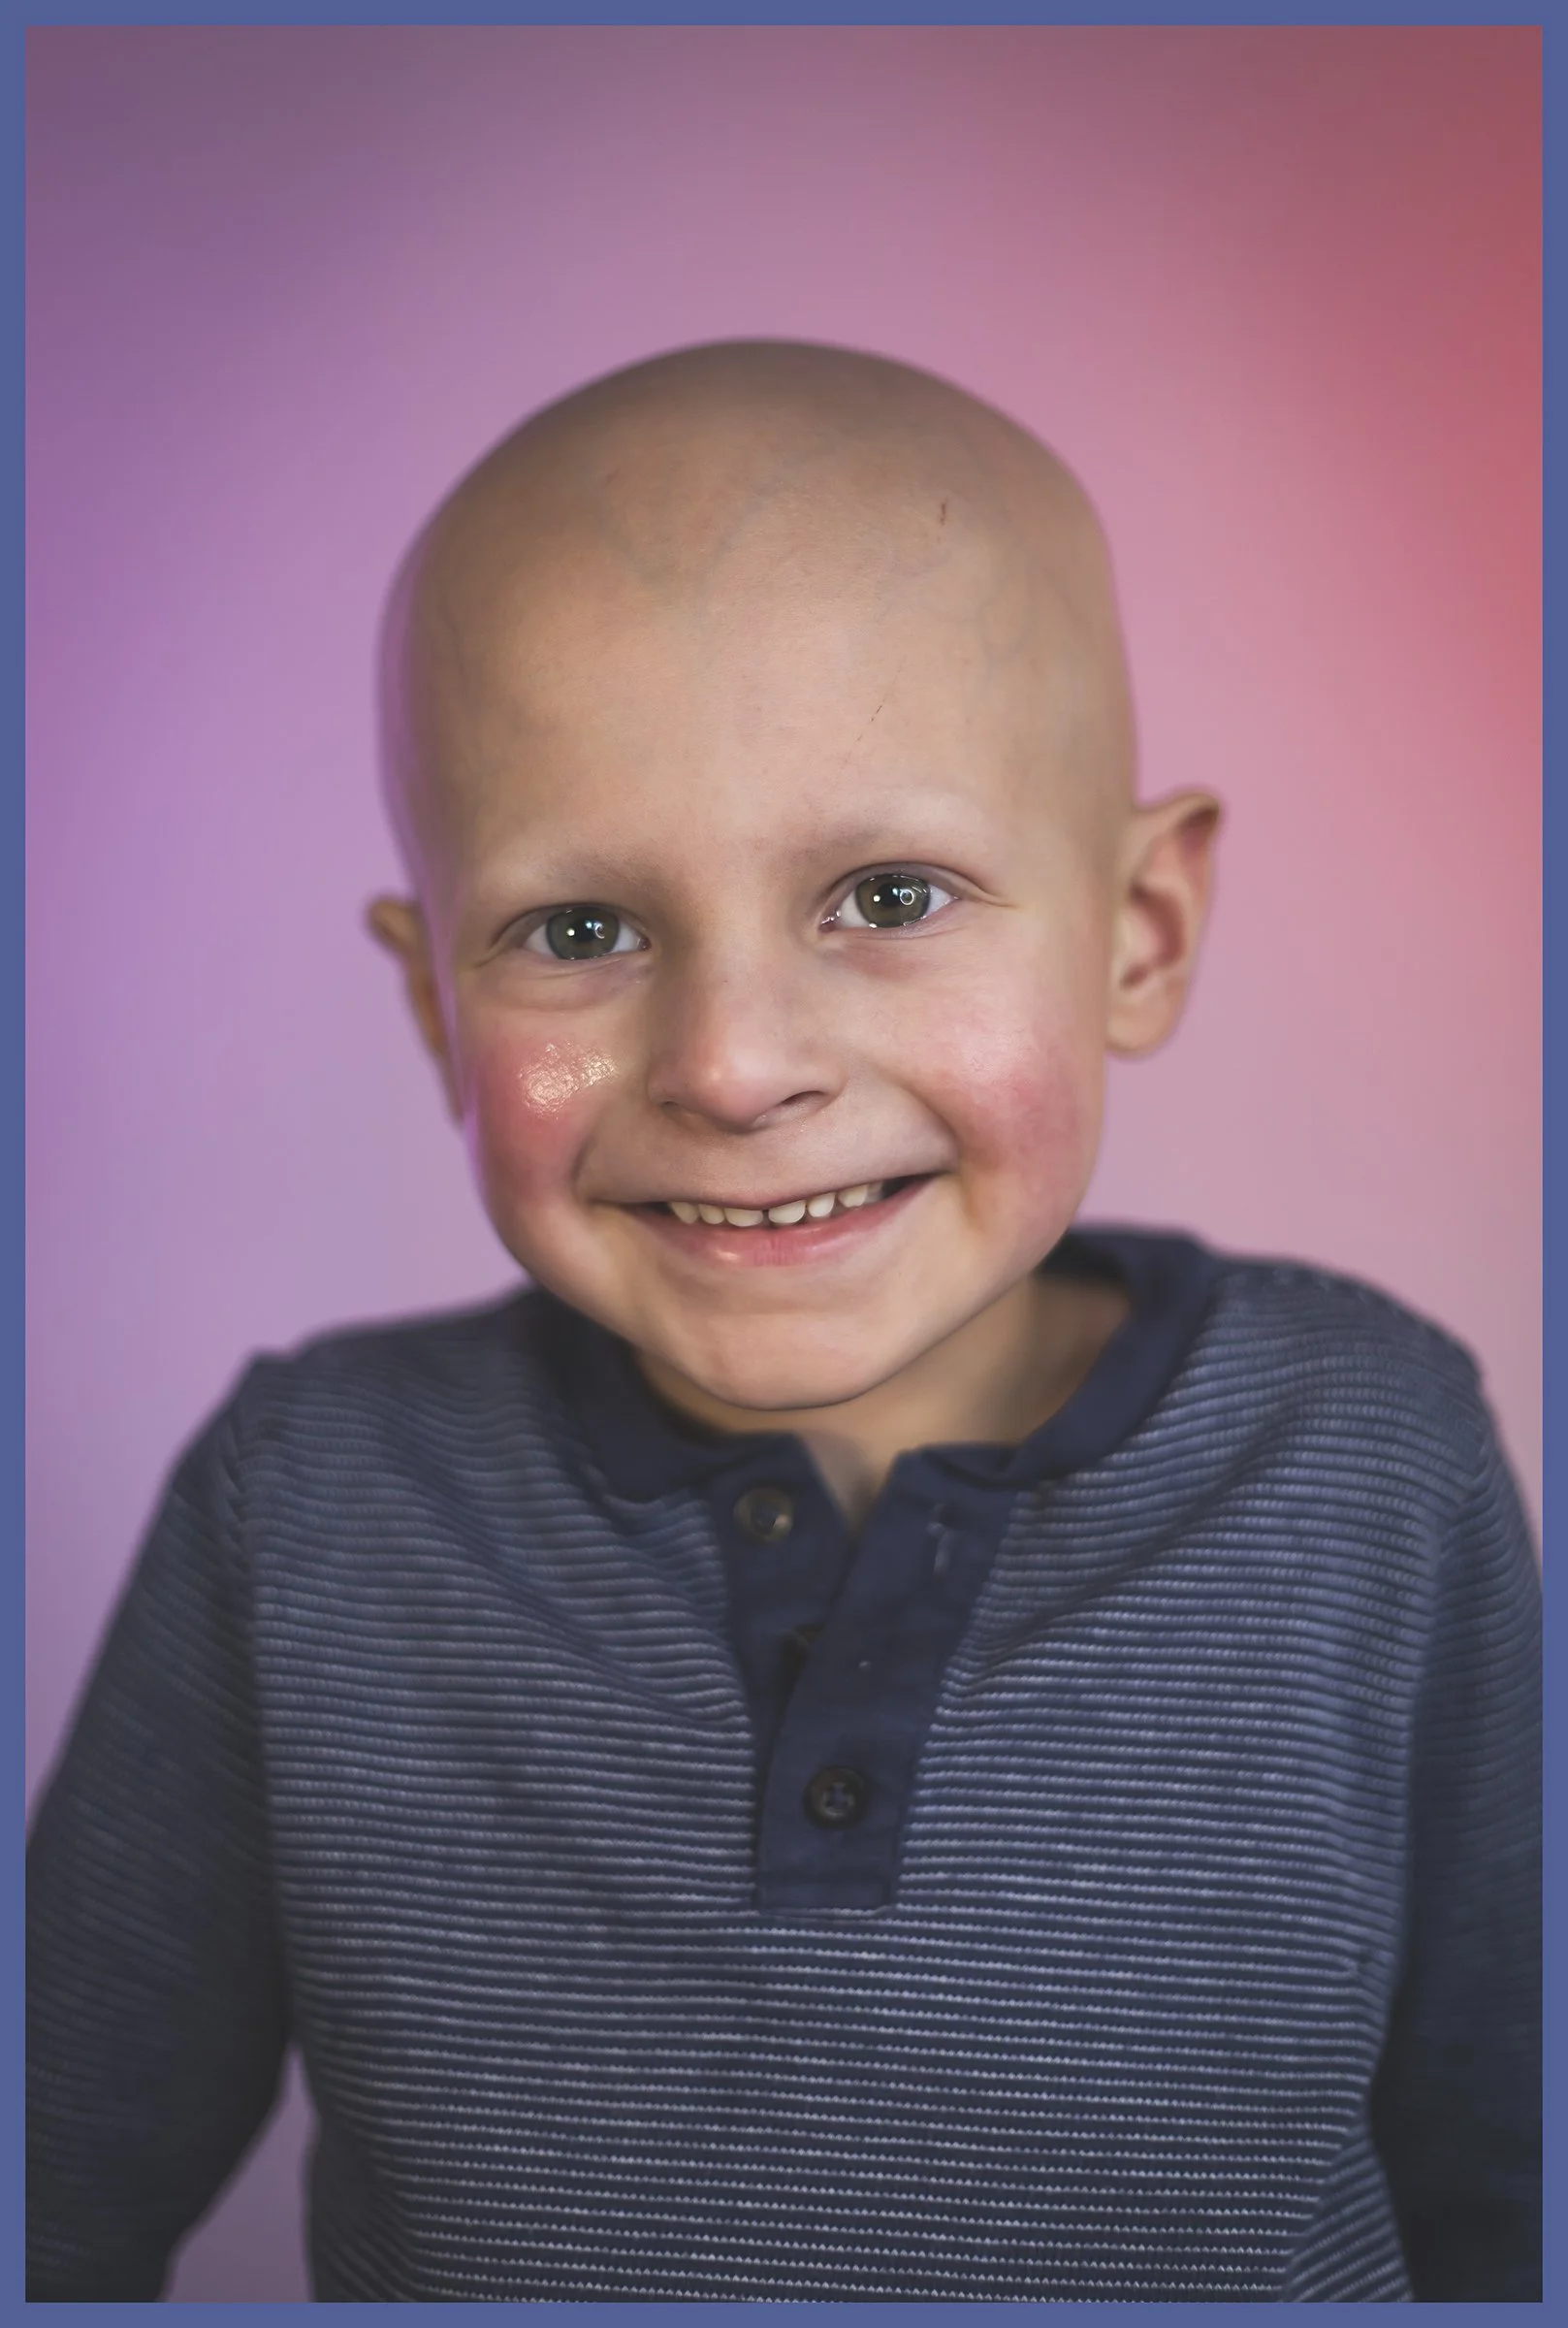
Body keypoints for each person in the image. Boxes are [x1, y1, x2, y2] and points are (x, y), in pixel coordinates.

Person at [26, 340, 1540, 2303]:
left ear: (1138, 930)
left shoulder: (1369, 1458)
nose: (734, 1067)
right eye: (579, 932)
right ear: (434, 1008)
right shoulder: (303, 1506)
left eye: (889, 896)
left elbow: (1513, 2195)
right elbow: (47, 2199)